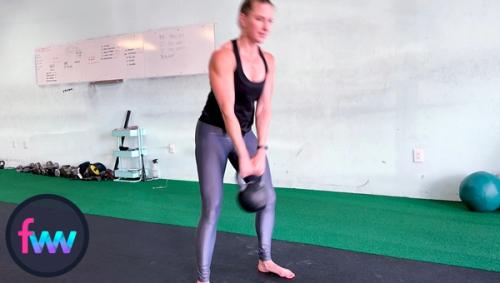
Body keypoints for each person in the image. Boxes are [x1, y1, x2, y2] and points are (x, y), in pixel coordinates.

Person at [194, 0, 295, 282]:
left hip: (246, 131)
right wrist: (243, 159)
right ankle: (203, 278)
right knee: (212, 206)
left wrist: (260, 151)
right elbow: (227, 112)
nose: (265, 27)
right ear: (243, 19)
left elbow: (263, 108)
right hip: (213, 133)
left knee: (269, 197)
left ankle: (266, 260)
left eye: (270, 21)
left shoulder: (268, 61)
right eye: (260, 19)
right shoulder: (223, 57)